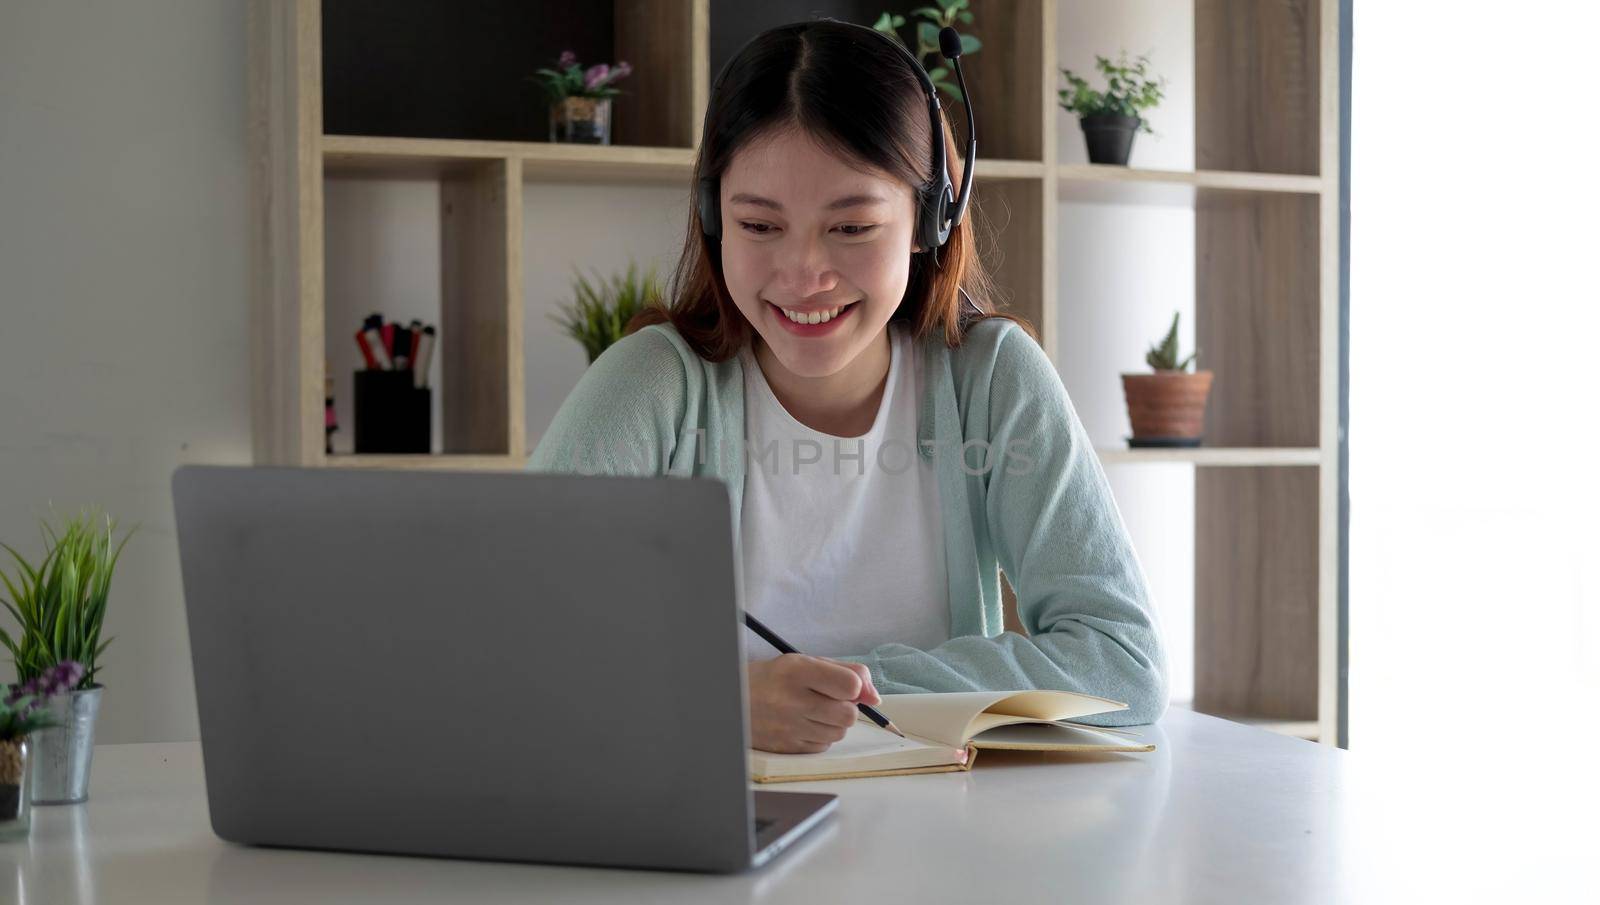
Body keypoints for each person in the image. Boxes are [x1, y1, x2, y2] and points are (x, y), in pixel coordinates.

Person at [529, 19, 1167, 754]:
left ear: (931, 218)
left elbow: (1123, 662)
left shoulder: (992, 379)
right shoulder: (651, 385)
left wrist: (848, 691)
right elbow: (513, 645)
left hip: (949, 828)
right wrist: (719, 697)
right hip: (714, 833)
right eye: (760, 226)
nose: (803, 275)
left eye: (852, 228)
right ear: (713, 219)